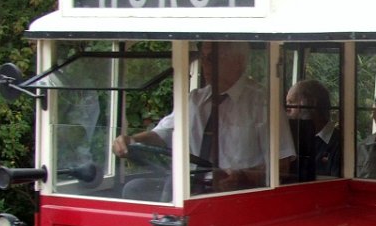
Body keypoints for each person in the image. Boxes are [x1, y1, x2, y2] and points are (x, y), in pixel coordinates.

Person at [113, 41, 291, 194]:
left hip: (236, 193)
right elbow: (162, 134)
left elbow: (281, 166)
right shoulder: (194, 100)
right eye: (203, 56)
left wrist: (241, 176)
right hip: (188, 188)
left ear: (239, 61)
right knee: (134, 188)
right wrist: (131, 140)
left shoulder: (263, 104)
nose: (205, 63)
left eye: (212, 58)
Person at [284, 78, 341, 182]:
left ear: (311, 103)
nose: (286, 109)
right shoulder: (292, 140)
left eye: (291, 103)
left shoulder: (339, 145)